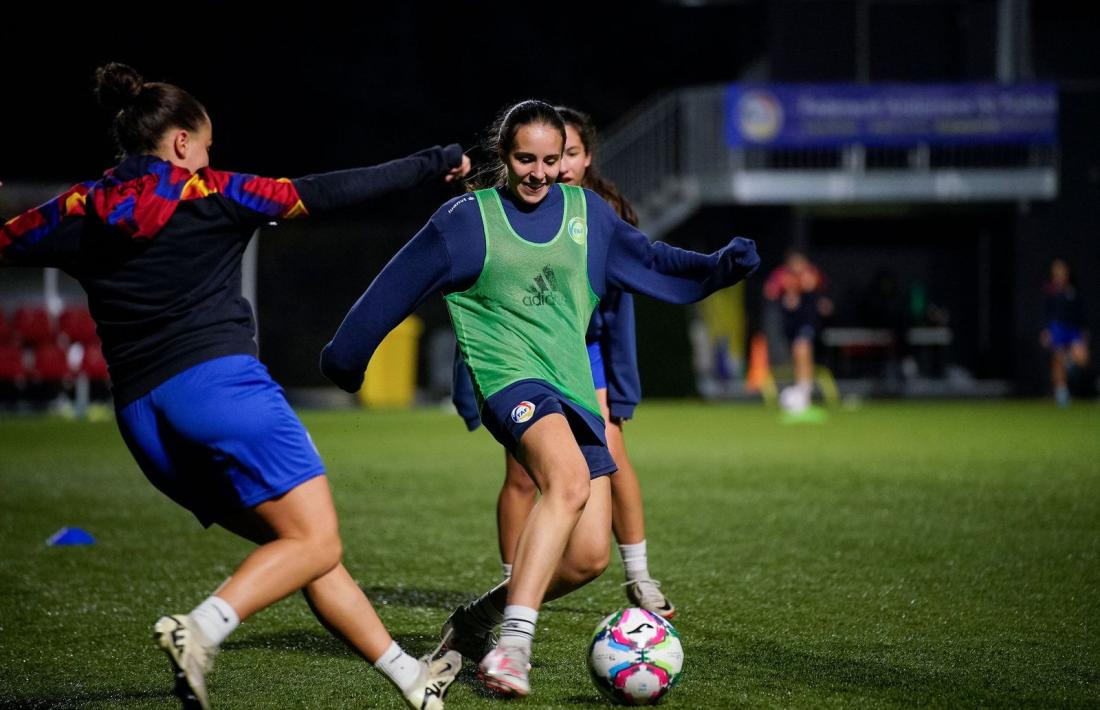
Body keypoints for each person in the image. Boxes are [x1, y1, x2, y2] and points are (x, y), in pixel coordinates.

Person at [0, 63, 470, 710]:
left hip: (143, 419)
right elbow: (329, 191)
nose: (210, 155)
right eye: (208, 144)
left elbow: (8, 238)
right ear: (183, 143)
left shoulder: (78, 209)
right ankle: (201, 629)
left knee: (300, 549)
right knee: (316, 541)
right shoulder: (214, 192)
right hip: (220, 393)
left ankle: (411, 680)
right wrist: (431, 163)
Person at [321, 99, 759, 697]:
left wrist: (718, 268)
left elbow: (654, 262)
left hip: (574, 388)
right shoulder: (467, 219)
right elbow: (394, 288)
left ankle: (477, 620)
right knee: (569, 482)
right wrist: (346, 358)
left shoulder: (588, 215)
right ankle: (513, 648)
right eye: (525, 159)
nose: (538, 173)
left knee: (585, 561)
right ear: (503, 156)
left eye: (550, 160)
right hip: (511, 380)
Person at [451, 106, 674, 618]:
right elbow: (476, 307)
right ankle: (513, 586)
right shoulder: (495, 212)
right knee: (524, 476)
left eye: (568, 154)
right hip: (523, 358)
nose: (557, 167)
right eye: (542, 156)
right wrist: (470, 387)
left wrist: (623, 387)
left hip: (583, 355)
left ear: (585, 157)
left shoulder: (600, 212)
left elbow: (621, 310)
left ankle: (639, 576)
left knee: (611, 454)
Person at [762, 248, 832, 410]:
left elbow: (820, 290)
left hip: (807, 323)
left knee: (802, 348)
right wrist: (785, 290)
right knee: (797, 353)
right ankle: (801, 390)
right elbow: (769, 292)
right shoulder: (781, 276)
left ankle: (805, 392)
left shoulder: (810, 275)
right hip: (790, 324)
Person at [1040, 258, 1089, 406]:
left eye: (1062, 271)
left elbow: (1080, 314)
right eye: (1057, 271)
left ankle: (1068, 361)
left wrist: (1084, 331)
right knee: (1057, 361)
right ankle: (1061, 394)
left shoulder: (1073, 291)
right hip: (1057, 329)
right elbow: (1046, 313)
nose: (1059, 274)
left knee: (1082, 359)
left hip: (1073, 330)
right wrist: (1046, 331)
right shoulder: (1050, 292)